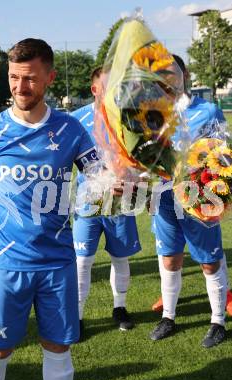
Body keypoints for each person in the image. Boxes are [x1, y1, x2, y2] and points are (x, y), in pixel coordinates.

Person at [0, 38, 99, 380]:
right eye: (14, 77)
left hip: (58, 262)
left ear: (50, 77)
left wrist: (120, 183)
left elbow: (102, 179)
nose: (20, 87)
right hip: (6, 262)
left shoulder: (71, 131)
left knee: (58, 349)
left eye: (30, 78)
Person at [150, 55, 228, 348]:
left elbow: (224, 153)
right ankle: (168, 317)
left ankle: (217, 321)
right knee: (169, 258)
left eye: (172, 73)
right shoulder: (152, 114)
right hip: (164, 197)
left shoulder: (207, 110)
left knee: (209, 260)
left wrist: (217, 191)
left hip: (199, 196)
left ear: (185, 75)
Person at [71, 66, 141, 338]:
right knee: (81, 262)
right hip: (87, 205)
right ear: (94, 89)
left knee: (120, 258)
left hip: (120, 203)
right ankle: (77, 316)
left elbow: (140, 162)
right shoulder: (76, 121)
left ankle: (119, 308)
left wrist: (133, 181)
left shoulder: (129, 120)